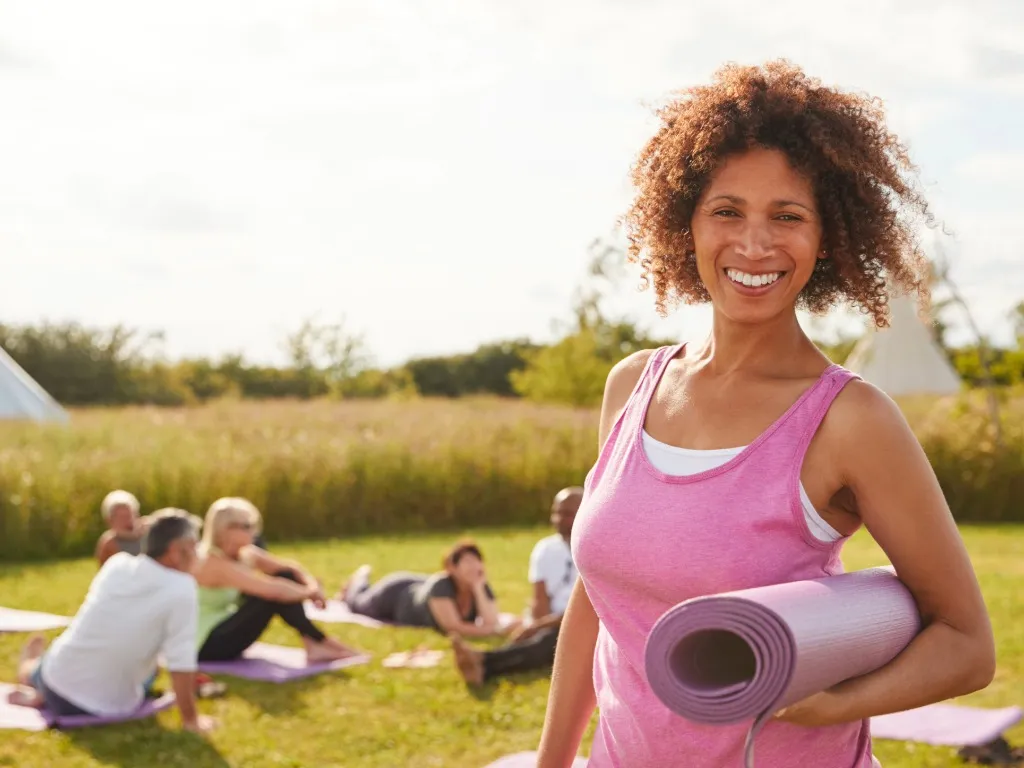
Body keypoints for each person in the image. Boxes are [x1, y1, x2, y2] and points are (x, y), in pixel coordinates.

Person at [537, 60, 995, 768]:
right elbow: (596, 606)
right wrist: (552, 761)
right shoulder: (632, 385)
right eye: (727, 211)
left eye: (788, 216)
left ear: (828, 237)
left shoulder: (850, 419)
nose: (755, 245)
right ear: (684, 220)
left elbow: (966, 644)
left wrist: (836, 703)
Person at [10, 509, 214, 735]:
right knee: (150, 669)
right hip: (103, 707)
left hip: (56, 685)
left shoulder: (117, 565)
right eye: (194, 546)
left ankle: (36, 681)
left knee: (50, 664)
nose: (198, 554)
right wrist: (191, 719)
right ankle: (31, 667)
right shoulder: (182, 588)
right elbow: (181, 660)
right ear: (177, 550)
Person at [193, 497, 360, 663]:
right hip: (207, 643)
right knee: (271, 595)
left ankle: (313, 643)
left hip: (226, 626)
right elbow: (272, 591)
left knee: (284, 577)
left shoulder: (245, 554)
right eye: (247, 526)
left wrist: (312, 584)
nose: (254, 532)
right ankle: (323, 642)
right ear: (225, 530)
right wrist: (310, 592)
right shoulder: (212, 562)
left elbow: (290, 568)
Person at [450, 487, 582, 685]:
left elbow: (585, 610)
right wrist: (537, 626)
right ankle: (482, 665)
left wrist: (539, 626)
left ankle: (483, 662)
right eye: (557, 513)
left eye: (568, 514)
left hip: (581, 623)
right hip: (550, 623)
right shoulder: (545, 550)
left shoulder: (597, 550)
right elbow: (540, 600)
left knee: (552, 641)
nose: (559, 519)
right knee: (547, 641)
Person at [339, 539, 513, 637]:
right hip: (394, 594)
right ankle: (358, 578)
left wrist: (478, 588)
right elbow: (454, 627)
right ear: (452, 568)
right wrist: (495, 632)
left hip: (418, 585)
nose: (474, 566)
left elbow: (492, 621)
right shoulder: (441, 587)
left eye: (477, 560)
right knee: (356, 603)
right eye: (467, 562)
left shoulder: (480, 584)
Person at [94, 489, 146, 566]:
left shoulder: (148, 533)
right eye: (122, 517)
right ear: (110, 520)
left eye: (129, 516)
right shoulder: (109, 543)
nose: (128, 521)